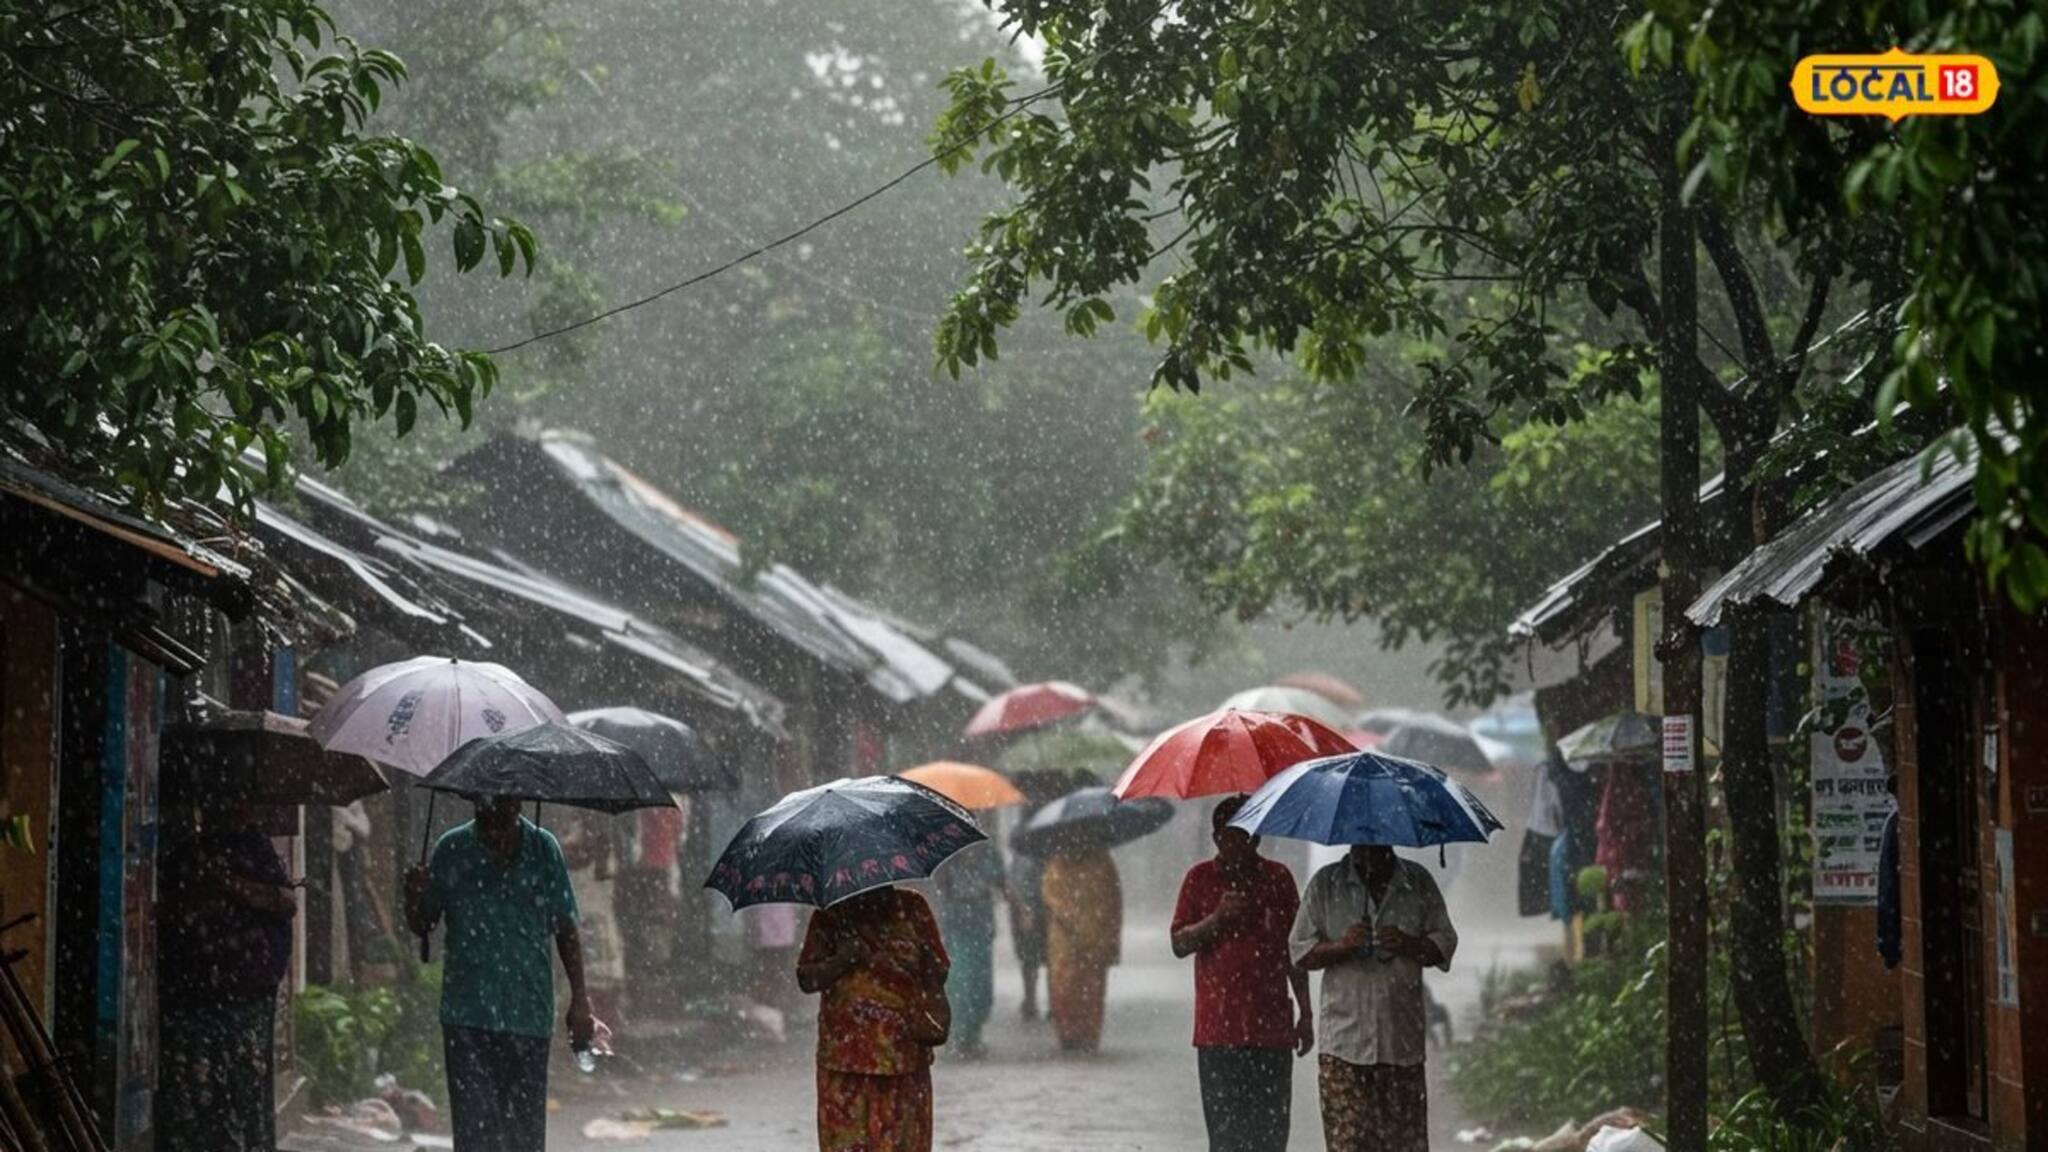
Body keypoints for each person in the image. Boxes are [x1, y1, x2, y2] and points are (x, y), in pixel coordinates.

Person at [404, 795, 593, 1151]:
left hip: (529, 1015)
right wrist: (412, 896)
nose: (494, 817)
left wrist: (580, 1000)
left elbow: (565, 926)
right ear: (474, 800)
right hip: (467, 1017)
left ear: (519, 802)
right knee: (475, 1134)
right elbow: (423, 922)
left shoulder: (543, 848)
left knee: (524, 1136)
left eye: (504, 805)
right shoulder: (452, 848)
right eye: (487, 804)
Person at [1291, 843, 1458, 1152]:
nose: (1367, 848)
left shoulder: (1418, 882)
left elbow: (1445, 943)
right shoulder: (1325, 885)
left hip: (1401, 1045)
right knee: (1349, 1144)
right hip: (1344, 1047)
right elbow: (1300, 952)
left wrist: (1409, 943)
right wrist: (1342, 946)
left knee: (1403, 1145)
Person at [1171, 796, 1314, 1152]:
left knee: (1270, 1136)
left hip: (1272, 1031)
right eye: (1233, 836)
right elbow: (1179, 943)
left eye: (1250, 835)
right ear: (1217, 837)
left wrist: (1307, 1013)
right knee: (1226, 1137)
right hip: (1218, 1032)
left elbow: (1293, 951)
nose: (1243, 844)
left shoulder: (1278, 879)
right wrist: (1217, 919)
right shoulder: (1199, 879)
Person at [158, 804, 298, 1152]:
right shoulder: (188, 853)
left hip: (245, 997)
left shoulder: (255, 850)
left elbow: (284, 901)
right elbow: (171, 909)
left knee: (243, 1090)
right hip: (196, 996)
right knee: (198, 1094)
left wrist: (229, 884)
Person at [796, 885, 951, 1152]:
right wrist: (842, 960)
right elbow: (807, 978)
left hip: (904, 1058)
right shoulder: (831, 914)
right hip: (845, 1063)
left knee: (903, 1143)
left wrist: (914, 970)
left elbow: (938, 970)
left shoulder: (913, 907)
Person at [1041, 846, 1122, 1053]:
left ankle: (1088, 1035)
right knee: (1064, 987)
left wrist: (1109, 937)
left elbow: (1113, 900)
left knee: (1091, 989)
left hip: (1095, 938)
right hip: (1065, 941)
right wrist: (1071, 920)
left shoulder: (1102, 863)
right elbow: (1050, 898)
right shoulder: (1056, 864)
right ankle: (1068, 1035)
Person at [933, 839, 1004, 1057]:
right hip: (956, 931)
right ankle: (960, 1037)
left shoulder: (989, 857)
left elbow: (1003, 886)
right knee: (961, 984)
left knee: (980, 987)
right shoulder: (945, 862)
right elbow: (940, 895)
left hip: (981, 930)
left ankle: (973, 1035)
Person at [1007, 848, 1049, 1019]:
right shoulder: (1025, 856)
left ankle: (1032, 1001)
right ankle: (1032, 1000)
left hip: (1038, 911)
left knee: (1035, 959)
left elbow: (1012, 883)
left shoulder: (1025, 855)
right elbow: (1013, 884)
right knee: (1033, 959)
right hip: (1033, 912)